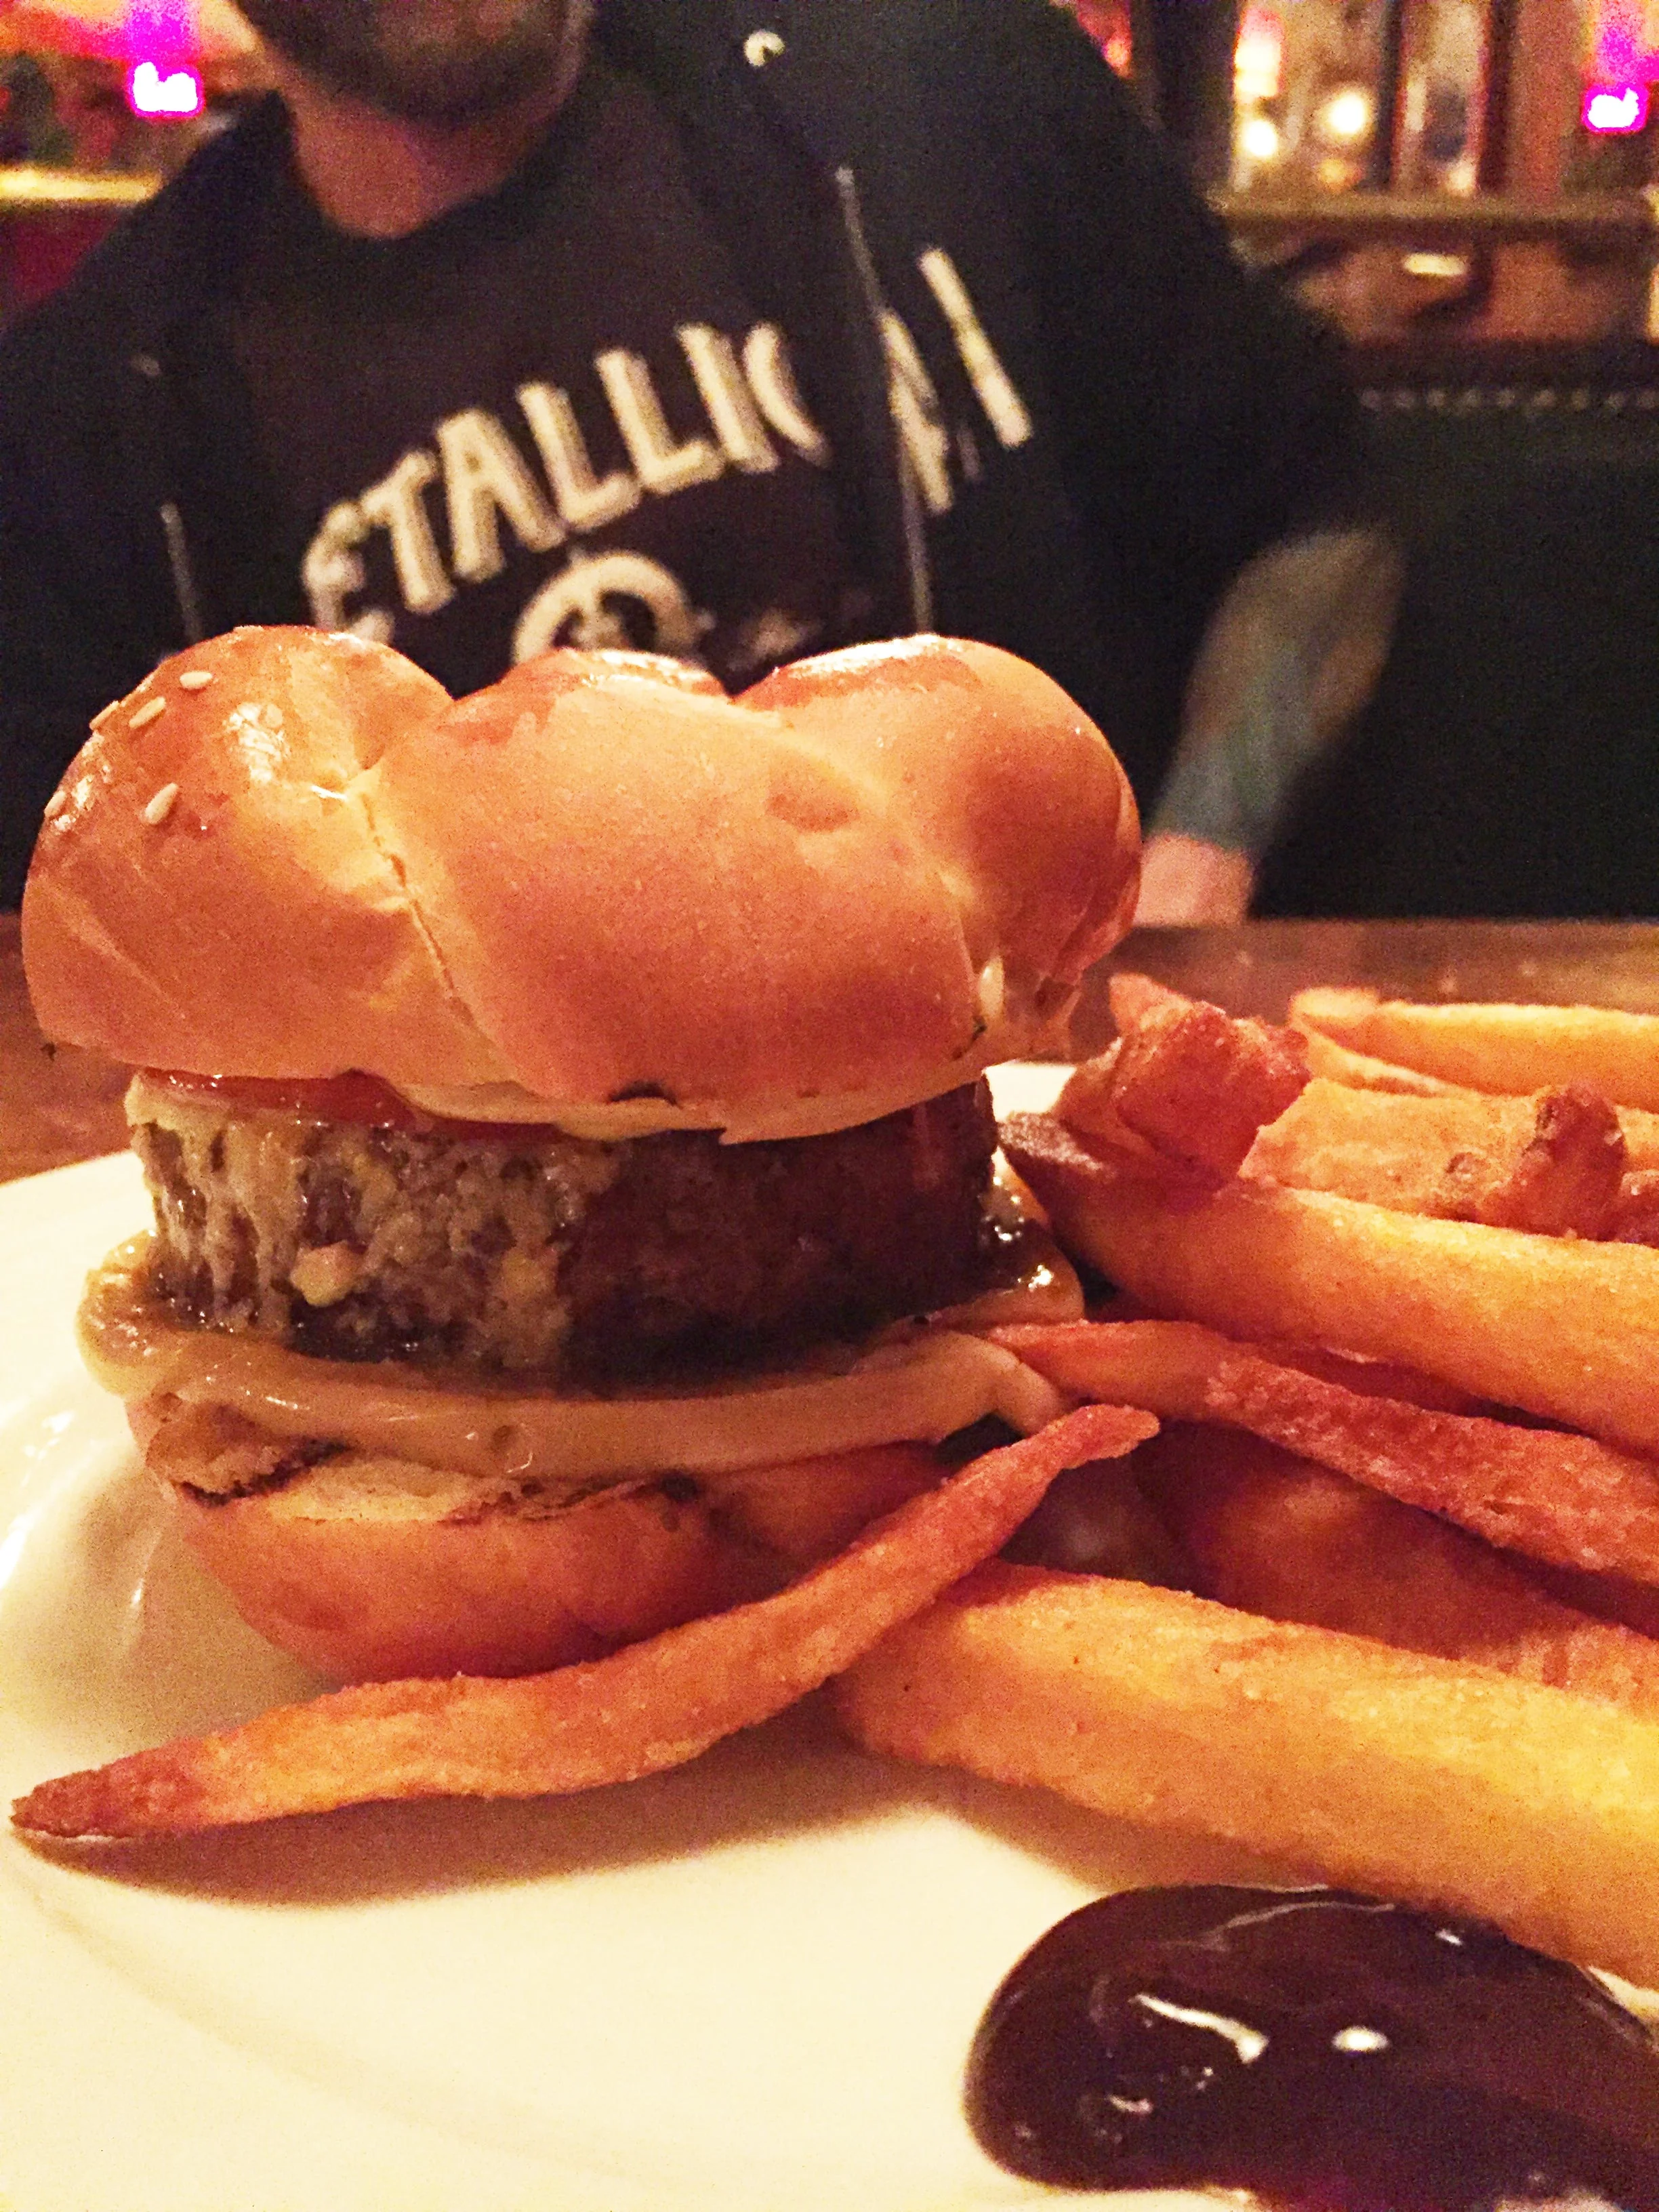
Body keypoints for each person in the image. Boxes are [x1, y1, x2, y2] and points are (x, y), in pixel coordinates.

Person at [0, 0, 1397, 919]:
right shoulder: (98, 418)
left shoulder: (945, 77)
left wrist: (1194, 868)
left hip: (1044, 1120)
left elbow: (1320, 508)